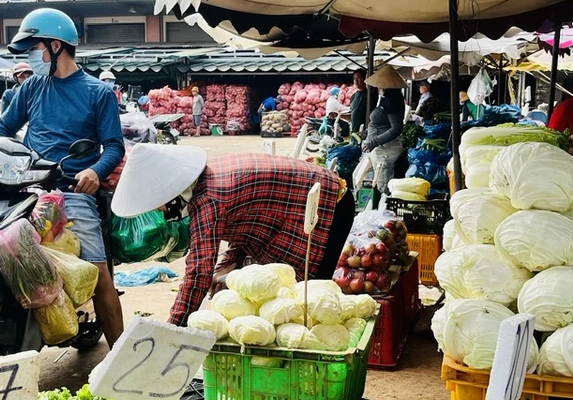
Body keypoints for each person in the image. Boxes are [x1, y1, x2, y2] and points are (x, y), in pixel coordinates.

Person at [0, 7, 126, 347]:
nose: (31, 56)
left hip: (72, 192)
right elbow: (4, 129)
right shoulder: (32, 87)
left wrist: (95, 171)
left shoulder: (98, 92)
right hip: (28, 191)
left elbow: (114, 146)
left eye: (34, 48)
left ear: (54, 46)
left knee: (99, 278)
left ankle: (121, 361)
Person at [111, 144, 353, 326]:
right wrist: (225, 269)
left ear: (169, 193)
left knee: (307, 300)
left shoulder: (208, 199)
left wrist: (174, 326)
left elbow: (198, 272)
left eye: (158, 205)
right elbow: (243, 222)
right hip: (306, 203)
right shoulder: (205, 177)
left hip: (328, 206)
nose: (159, 211)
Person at [361, 65, 406, 194]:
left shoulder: (392, 101)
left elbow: (397, 128)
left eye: (380, 85)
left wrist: (374, 142)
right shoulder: (386, 99)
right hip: (379, 150)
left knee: (383, 187)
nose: (378, 87)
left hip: (385, 150)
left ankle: (383, 210)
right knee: (376, 183)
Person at [350, 69, 367, 134]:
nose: (356, 81)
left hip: (364, 131)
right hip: (355, 131)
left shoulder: (369, 94)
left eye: (358, 78)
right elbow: (353, 114)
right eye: (354, 79)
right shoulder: (354, 96)